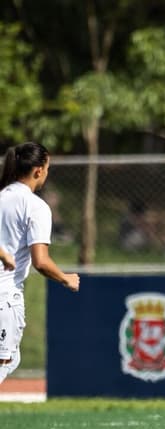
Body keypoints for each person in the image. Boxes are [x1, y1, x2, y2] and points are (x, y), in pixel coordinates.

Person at [0, 142, 81, 383]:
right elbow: (41, 261)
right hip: (4, 297)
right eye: (47, 168)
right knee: (5, 362)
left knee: (11, 360)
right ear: (38, 170)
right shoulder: (35, 207)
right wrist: (66, 278)